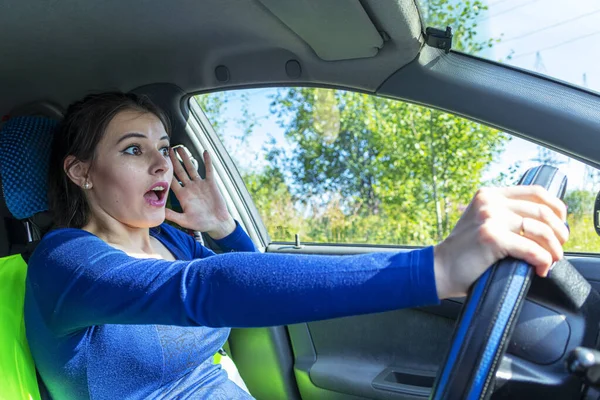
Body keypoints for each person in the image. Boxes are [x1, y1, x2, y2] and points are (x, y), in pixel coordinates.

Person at [24, 92, 569, 400]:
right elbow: (203, 291)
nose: (162, 163)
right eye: (133, 150)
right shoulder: (67, 262)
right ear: (81, 172)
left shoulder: (172, 237)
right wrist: (437, 267)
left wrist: (223, 228)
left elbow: (260, 295)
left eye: (164, 148)